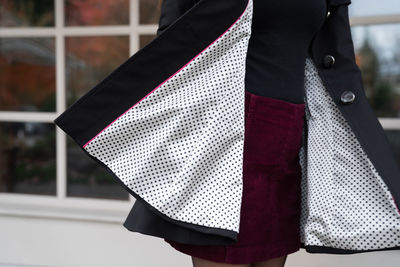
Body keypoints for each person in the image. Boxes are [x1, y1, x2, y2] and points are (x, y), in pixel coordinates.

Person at [157, 0, 324, 266]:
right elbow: (170, 47)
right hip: (226, 139)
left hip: (290, 139)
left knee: (273, 250)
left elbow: (333, 55)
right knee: (224, 251)